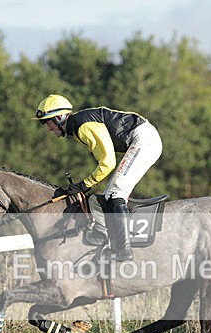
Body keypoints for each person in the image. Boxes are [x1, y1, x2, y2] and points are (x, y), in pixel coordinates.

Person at [34, 94, 163, 261]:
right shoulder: (78, 127)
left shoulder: (82, 126)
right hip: (142, 138)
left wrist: (84, 184)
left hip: (144, 140)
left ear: (59, 117)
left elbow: (108, 163)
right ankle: (109, 237)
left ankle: (124, 249)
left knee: (116, 193)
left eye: (48, 123)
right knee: (110, 193)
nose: (48, 129)